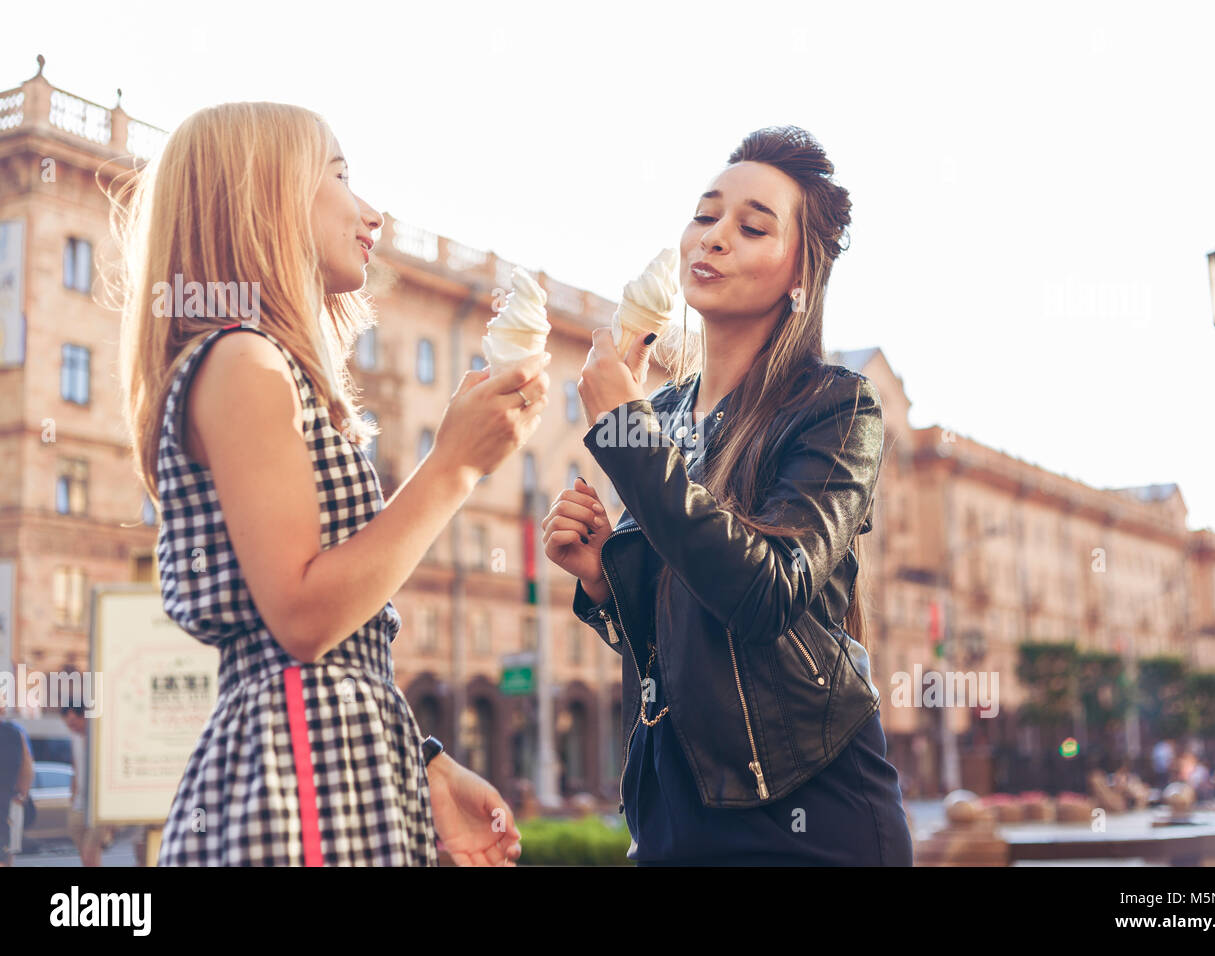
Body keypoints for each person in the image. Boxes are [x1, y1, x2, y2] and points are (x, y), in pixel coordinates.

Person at [113, 102, 544, 865]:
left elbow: (336, 639)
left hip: (326, 760)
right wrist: (455, 467)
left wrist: (428, 765)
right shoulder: (242, 362)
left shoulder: (265, 369)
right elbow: (304, 618)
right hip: (296, 774)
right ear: (263, 200)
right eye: (340, 176)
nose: (371, 211)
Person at [544, 126, 912, 865]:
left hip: (807, 817)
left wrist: (624, 435)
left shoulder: (837, 409)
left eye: (751, 227)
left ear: (800, 276)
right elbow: (680, 643)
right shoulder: (671, 414)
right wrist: (603, 582)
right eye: (705, 216)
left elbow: (765, 592)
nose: (713, 239)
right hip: (674, 810)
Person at [60, 703, 115, 866]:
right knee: (86, 855)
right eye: (68, 723)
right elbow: (76, 767)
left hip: (99, 806)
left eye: (73, 722)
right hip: (79, 804)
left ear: (84, 716)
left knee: (89, 852)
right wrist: (73, 796)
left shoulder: (100, 737)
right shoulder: (75, 738)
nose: (71, 726)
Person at [0, 703, 34, 866]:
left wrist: (22, 794)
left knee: (6, 854)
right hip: (10, 802)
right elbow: (27, 765)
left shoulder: (13, 733)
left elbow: (26, 764)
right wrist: (22, 794)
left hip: (9, 803)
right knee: (7, 854)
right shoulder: (14, 732)